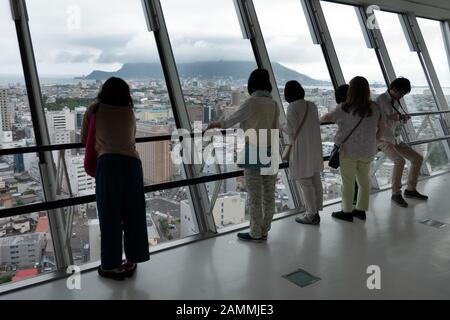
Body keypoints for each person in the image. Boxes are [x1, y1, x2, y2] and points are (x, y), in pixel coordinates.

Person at [81, 77, 150, 280]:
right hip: (132, 164)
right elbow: (131, 137)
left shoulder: (95, 109)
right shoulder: (129, 111)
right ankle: (132, 259)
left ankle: (112, 266)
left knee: (110, 216)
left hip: (108, 165)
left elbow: (85, 139)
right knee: (134, 214)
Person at [207, 68, 279, 242]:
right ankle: (264, 230)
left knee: (255, 196)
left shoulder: (251, 103)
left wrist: (214, 124)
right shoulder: (274, 104)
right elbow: (276, 128)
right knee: (269, 195)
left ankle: (255, 232)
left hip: (254, 151)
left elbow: (229, 121)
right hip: (271, 152)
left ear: (252, 84)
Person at [321, 76, 384, 222]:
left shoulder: (344, 107)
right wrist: (375, 141)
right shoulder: (374, 107)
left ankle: (347, 211)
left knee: (348, 182)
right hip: (368, 150)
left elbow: (326, 118)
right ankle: (361, 210)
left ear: (351, 90)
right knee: (364, 181)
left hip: (348, 151)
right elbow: (381, 129)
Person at [376, 77, 428, 207]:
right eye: (401, 93)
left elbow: (393, 118)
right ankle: (396, 193)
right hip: (382, 138)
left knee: (417, 158)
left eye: (404, 94)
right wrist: (391, 117)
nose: (402, 96)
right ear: (393, 89)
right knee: (400, 161)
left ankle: (411, 189)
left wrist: (401, 119)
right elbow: (374, 119)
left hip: (394, 137)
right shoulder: (380, 100)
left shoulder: (396, 100)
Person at [281, 80, 323, 225]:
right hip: (314, 148)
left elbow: (291, 129)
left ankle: (311, 214)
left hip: (301, 149)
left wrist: (280, 125)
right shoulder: (312, 105)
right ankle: (315, 210)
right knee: (315, 178)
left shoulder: (293, 107)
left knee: (305, 182)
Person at [335, 84, 358, 206]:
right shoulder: (359, 108)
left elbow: (327, 118)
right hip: (359, 146)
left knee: (348, 177)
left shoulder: (341, 109)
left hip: (346, 147)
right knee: (356, 175)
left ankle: (348, 205)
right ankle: (356, 202)